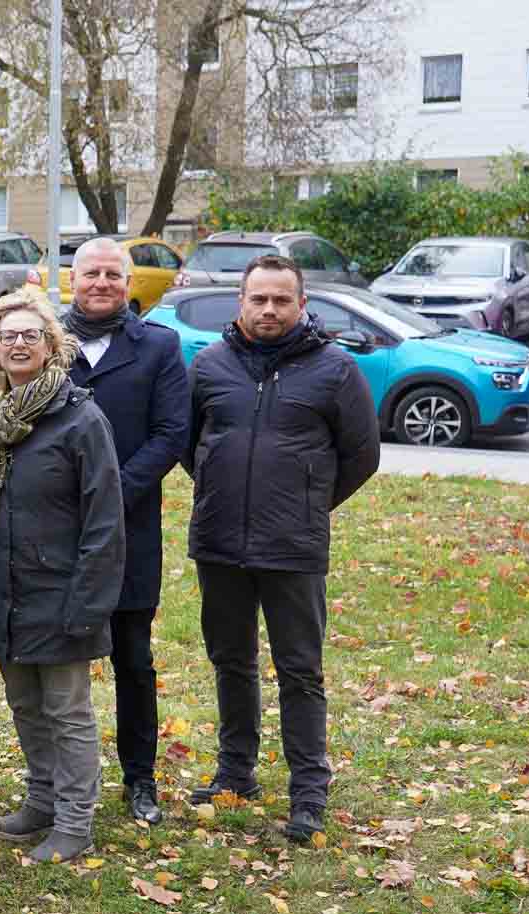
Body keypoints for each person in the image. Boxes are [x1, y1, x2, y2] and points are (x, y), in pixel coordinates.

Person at [182, 253, 379, 844]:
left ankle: (308, 792)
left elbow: (361, 456)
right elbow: (190, 445)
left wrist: (307, 502)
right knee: (231, 661)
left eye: (281, 300)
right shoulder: (209, 365)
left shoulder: (335, 369)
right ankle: (235, 772)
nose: (269, 309)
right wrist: (219, 491)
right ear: (241, 302)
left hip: (293, 546)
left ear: (302, 304)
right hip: (220, 542)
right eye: (259, 299)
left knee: (300, 671)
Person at [0, 289, 125, 864]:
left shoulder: (80, 419)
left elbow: (105, 519)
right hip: (2, 588)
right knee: (26, 705)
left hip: (62, 591)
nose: (18, 344)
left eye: (31, 335)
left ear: (52, 346)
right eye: (7, 336)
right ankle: (42, 798)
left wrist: (88, 601)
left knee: (67, 712)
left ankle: (76, 821)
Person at [59, 237, 190, 826]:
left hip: (129, 530)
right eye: (92, 273)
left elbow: (171, 433)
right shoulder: (47, 340)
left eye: (113, 274)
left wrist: (112, 492)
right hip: (57, 528)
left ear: (129, 282)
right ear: (73, 279)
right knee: (57, 663)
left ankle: (140, 779)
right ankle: (59, 780)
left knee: (133, 660)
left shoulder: (158, 346)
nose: (102, 283)